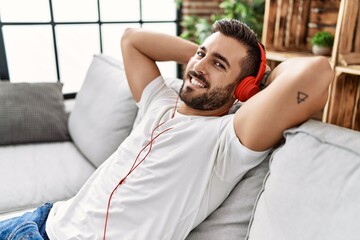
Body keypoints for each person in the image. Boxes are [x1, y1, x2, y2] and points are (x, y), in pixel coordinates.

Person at [0, 19, 333, 240]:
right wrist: (203, 58)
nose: (199, 66)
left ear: (243, 88)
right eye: (202, 54)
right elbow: (133, 40)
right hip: (44, 217)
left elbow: (318, 72)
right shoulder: (158, 101)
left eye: (219, 64)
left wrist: (256, 85)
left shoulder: (227, 140)